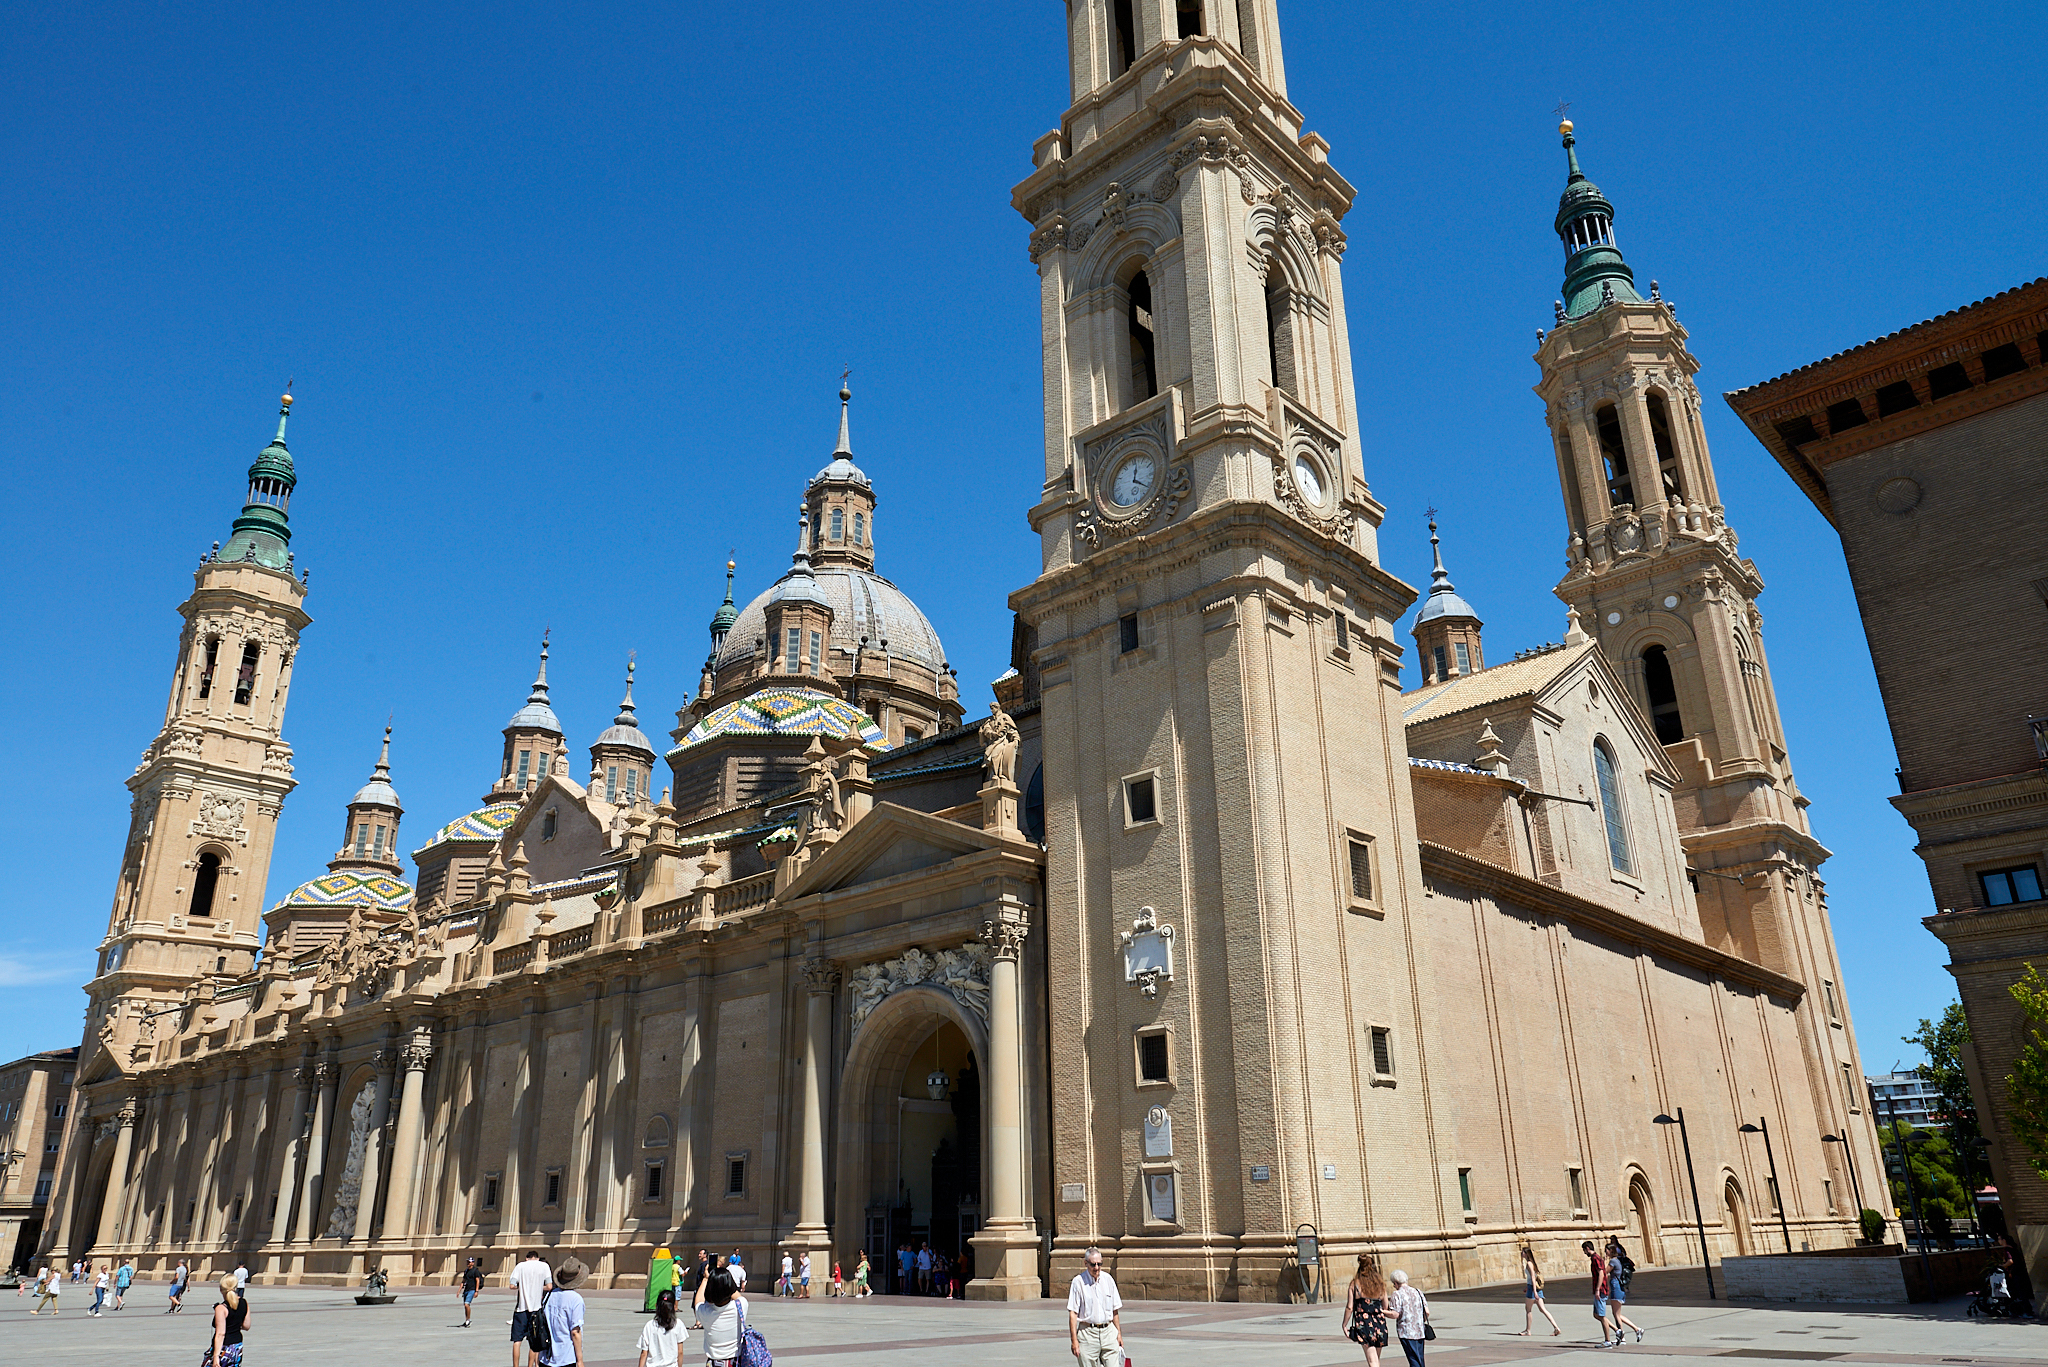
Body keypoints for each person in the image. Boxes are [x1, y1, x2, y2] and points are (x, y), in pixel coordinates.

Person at [1067, 1246, 1123, 1367]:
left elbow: (1115, 1311)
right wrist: (1074, 1340)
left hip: (1108, 1332)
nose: (1096, 1268)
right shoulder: (1078, 1282)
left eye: (1099, 1264)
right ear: (1086, 1263)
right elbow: (1073, 1313)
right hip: (1087, 1333)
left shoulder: (1108, 1280)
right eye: (1093, 1264)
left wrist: (1118, 1334)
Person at [1341, 1253, 1390, 1364]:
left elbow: (1349, 1307)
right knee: (1375, 1359)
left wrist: (1344, 1324)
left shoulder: (1355, 1284)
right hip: (1379, 1322)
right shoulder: (1380, 1285)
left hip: (1364, 1323)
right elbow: (1386, 1306)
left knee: (1372, 1361)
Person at [541, 1258, 587, 1367]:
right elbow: (575, 1332)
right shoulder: (576, 1300)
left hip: (546, 1356)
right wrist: (579, 1360)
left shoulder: (549, 1296)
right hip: (566, 1357)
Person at [699, 1268, 750, 1367]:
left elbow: (698, 1301)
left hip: (713, 1362)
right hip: (734, 1361)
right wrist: (724, 1281)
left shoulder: (705, 1312)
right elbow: (737, 1295)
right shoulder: (740, 1306)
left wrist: (706, 1279)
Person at [509, 1250, 552, 1367]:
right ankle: (530, 1365)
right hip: (536, 1309)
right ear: (537, 1258)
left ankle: (515, 1366)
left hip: (521, 1309)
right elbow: (549, 1286)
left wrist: (522, 1286)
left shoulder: (520, 1266)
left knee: (517, 1341)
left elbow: (512, 1285)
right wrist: (538, 1287)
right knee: (534, 1341)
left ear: (527, 1258)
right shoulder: (544, 1266)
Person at [204, 1272, 250, 1367]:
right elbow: (246, 1326)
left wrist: (216, 1356)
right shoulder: (244, 1302)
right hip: (237, 1346)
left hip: (224, 1347)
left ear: (221, 1289)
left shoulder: (221, 1308)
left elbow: (221, 1333)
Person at [1515, 1245, 1560, 1337]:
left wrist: (1534, 1291)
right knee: (1543, 1309)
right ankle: (1556, 1327)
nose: (1521, 1253)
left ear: (1526, 1254)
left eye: (1523, 1252)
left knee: (1528, 1310)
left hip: (1533, 1288)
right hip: (1533, 1288)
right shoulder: (1532, 1263)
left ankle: (1528, 1330)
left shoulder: (1529, 1264)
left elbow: (1533, 1277)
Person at [1388, 1269, 1429, 1367]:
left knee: (1413, 1358)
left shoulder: (1397, 1294)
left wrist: (1382, 1312)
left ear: (1396, 1283)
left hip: (1406, 1331)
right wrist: (1419, 1321)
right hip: (1419, 1330)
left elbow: (1395, 1314)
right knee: (1420, 1358)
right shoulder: (1418, 1291)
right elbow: (1427, 1312)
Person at [636, 1289, 686, 1367]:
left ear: (656, 1306)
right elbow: (680, 1352)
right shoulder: (678, 1324)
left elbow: (644, 1353)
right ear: (674, 1307)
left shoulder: (649, 1325)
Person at [1581, 1241, 1617, 1347]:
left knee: (1601, 1316)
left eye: (1584, 1250)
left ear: (1587, 1248)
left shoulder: (1595, 1258)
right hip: (1602, 1290)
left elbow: (1601, 1273)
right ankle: (1617, 1330)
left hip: (1601, 1291)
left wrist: (1597, 1289)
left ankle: (1608, 1341)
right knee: (1596, 1315)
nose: (1584, 1253)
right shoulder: (1598, 1258)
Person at [461, 1256, 485, 1327]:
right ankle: (467, 1320)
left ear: (473, 1263)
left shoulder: (475, 1271)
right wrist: (459, 1290)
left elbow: (477, 1280)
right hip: (466, 1289)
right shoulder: (466, 1271)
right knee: (466, 1306)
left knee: (466, 1304)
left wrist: (476, 1291)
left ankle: (468, 1320)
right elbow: (463, 1280)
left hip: (472, 1289)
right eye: (467, 1262)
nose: (468, 1263)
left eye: (469, 1262)